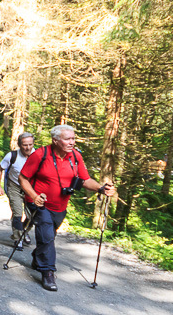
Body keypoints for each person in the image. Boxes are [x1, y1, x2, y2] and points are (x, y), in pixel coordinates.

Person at [18, 125, 115, 292]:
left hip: (60, 206)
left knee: (48, 235)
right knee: (47, 233)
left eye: (73, 138)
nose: (72, 142)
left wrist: (101, 188)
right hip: (38, 203)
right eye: (67, 139)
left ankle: (37, 257)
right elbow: (23, 178)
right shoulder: (40, 155)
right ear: (55, 141)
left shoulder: (75, 157)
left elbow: (85, 179)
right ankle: (48, 272)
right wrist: (34, 196)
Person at [0, 132, 37, 250]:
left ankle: (24, 231)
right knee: (18, 213)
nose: (28, 148)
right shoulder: (12, 156)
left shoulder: (38, 155)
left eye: (30, 144)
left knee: (32, 215)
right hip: (15, 186)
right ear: (19, 145)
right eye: (24, 145)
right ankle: (17, 238)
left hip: (31, 188)